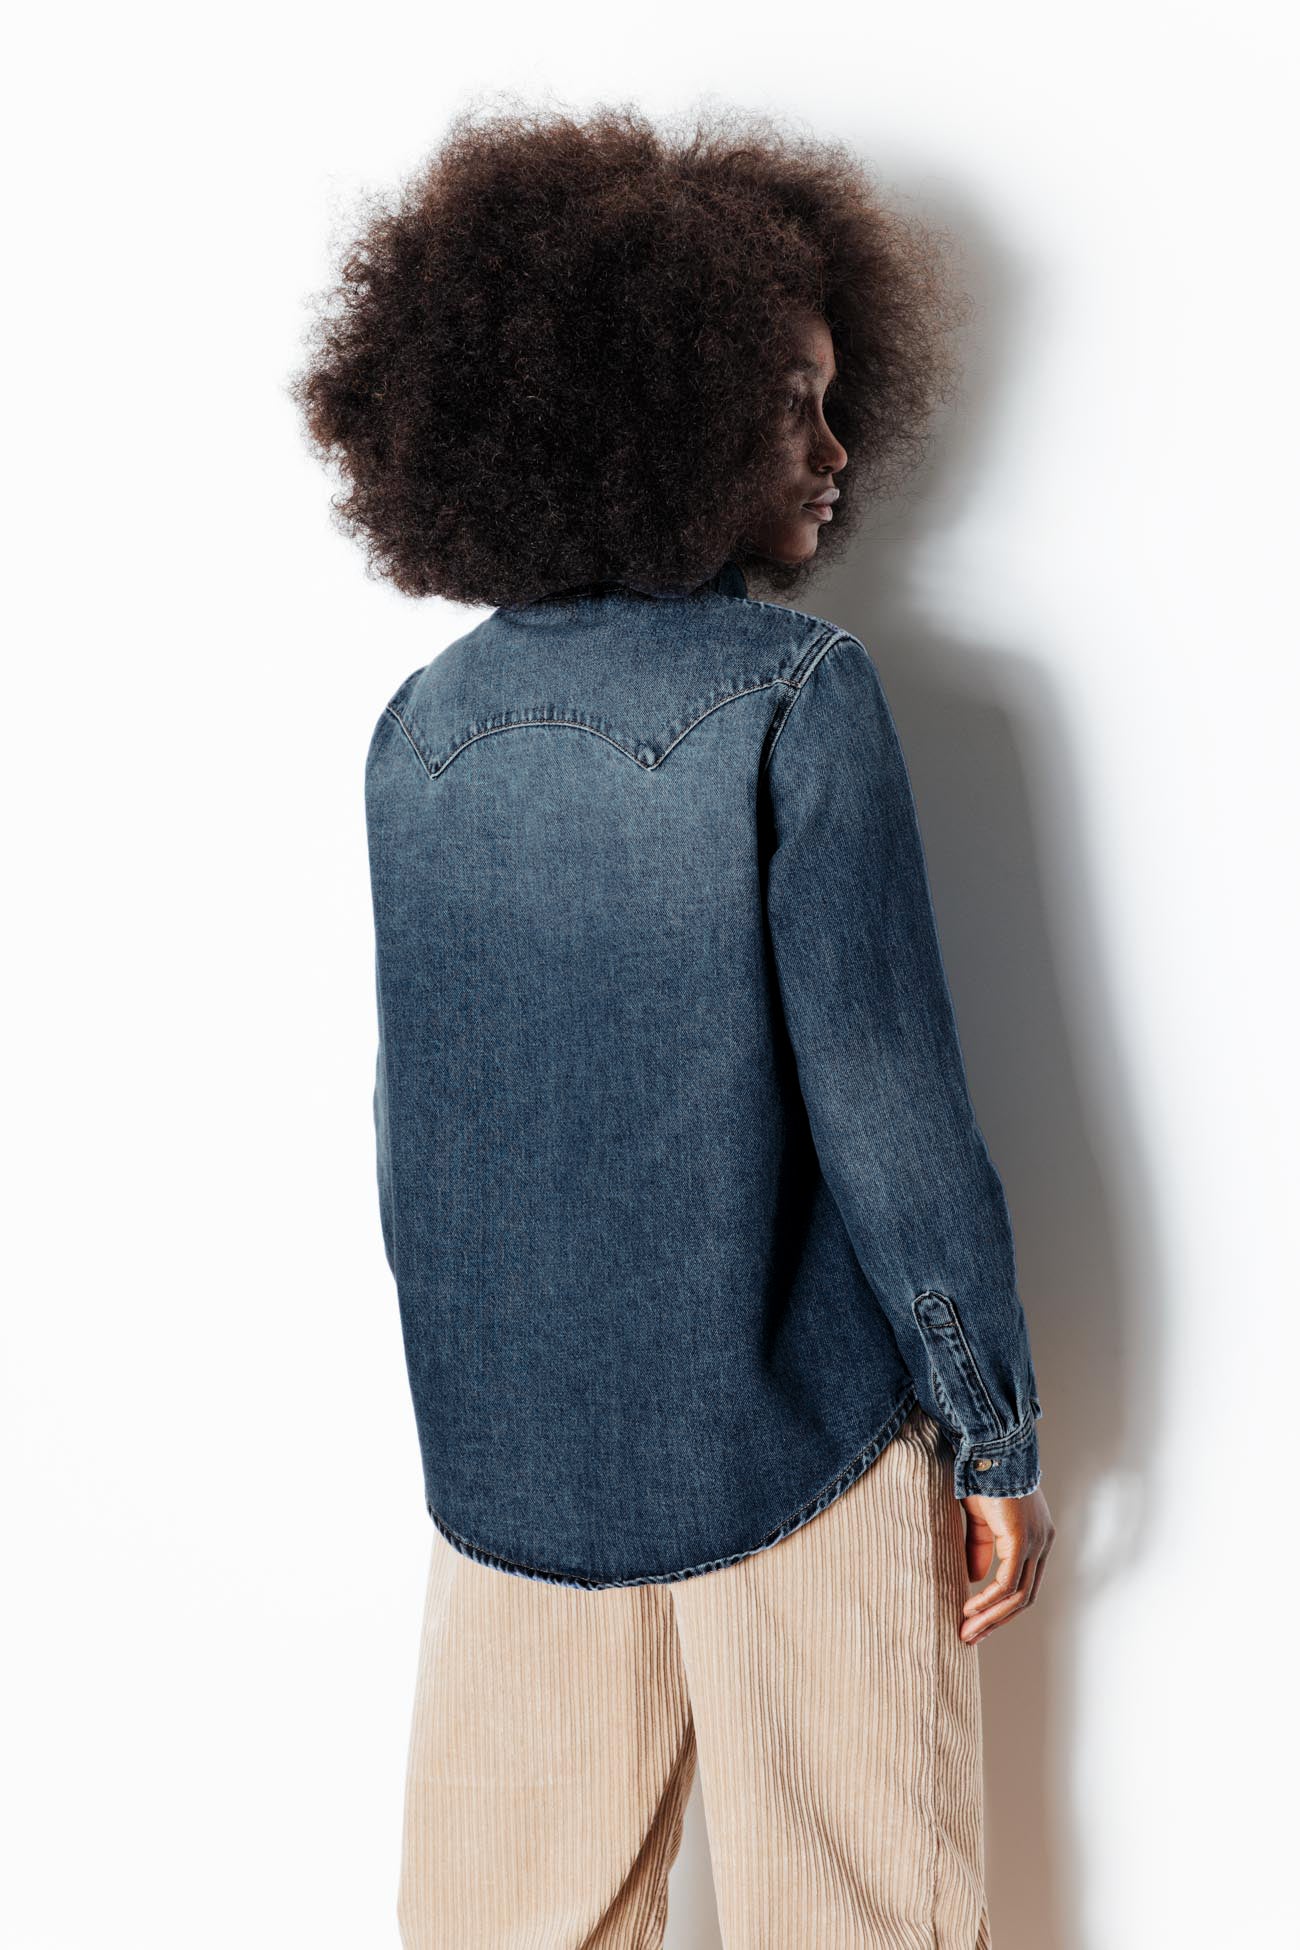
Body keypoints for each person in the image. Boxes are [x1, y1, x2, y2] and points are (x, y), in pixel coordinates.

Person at [291, 96, 1054, 1949]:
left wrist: (491, 1420)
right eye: (798, 403)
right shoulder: (796, 694)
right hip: (797, 1454)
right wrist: (993, 1431)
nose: (839, 451)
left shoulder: (421, 728)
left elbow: (410, 1140)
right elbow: (890, 1108)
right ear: (669, 410)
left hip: (514, 1486)